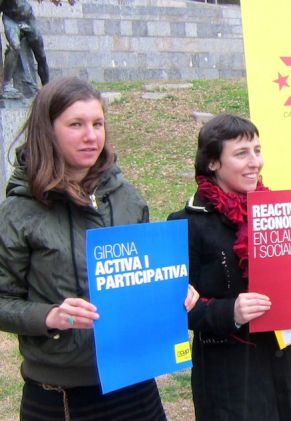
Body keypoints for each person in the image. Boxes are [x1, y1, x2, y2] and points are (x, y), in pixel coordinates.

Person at [0, 77, 198, 420]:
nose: (91, 136)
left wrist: (174, 290)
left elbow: (143, 276)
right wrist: (49, 316)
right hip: (61, 398)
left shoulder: (127, 198)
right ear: (47, 131)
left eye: (97, 123)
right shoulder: (19, 212)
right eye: (76, 124)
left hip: (135, 388)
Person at [168, 113, 291, 420]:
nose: (254, 162)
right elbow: (175, 308)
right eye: (241, 153)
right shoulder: (187, 224)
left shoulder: (281, 212)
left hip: (287, 368)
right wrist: (229, 311)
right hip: (231, 376)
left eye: (257, 150)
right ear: (213, 163)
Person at [1, 0, 50, 99]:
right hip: (11, 20)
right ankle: (6, 86)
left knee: (41, 55)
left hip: (28, 18)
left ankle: (48, 89)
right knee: (14, 46)